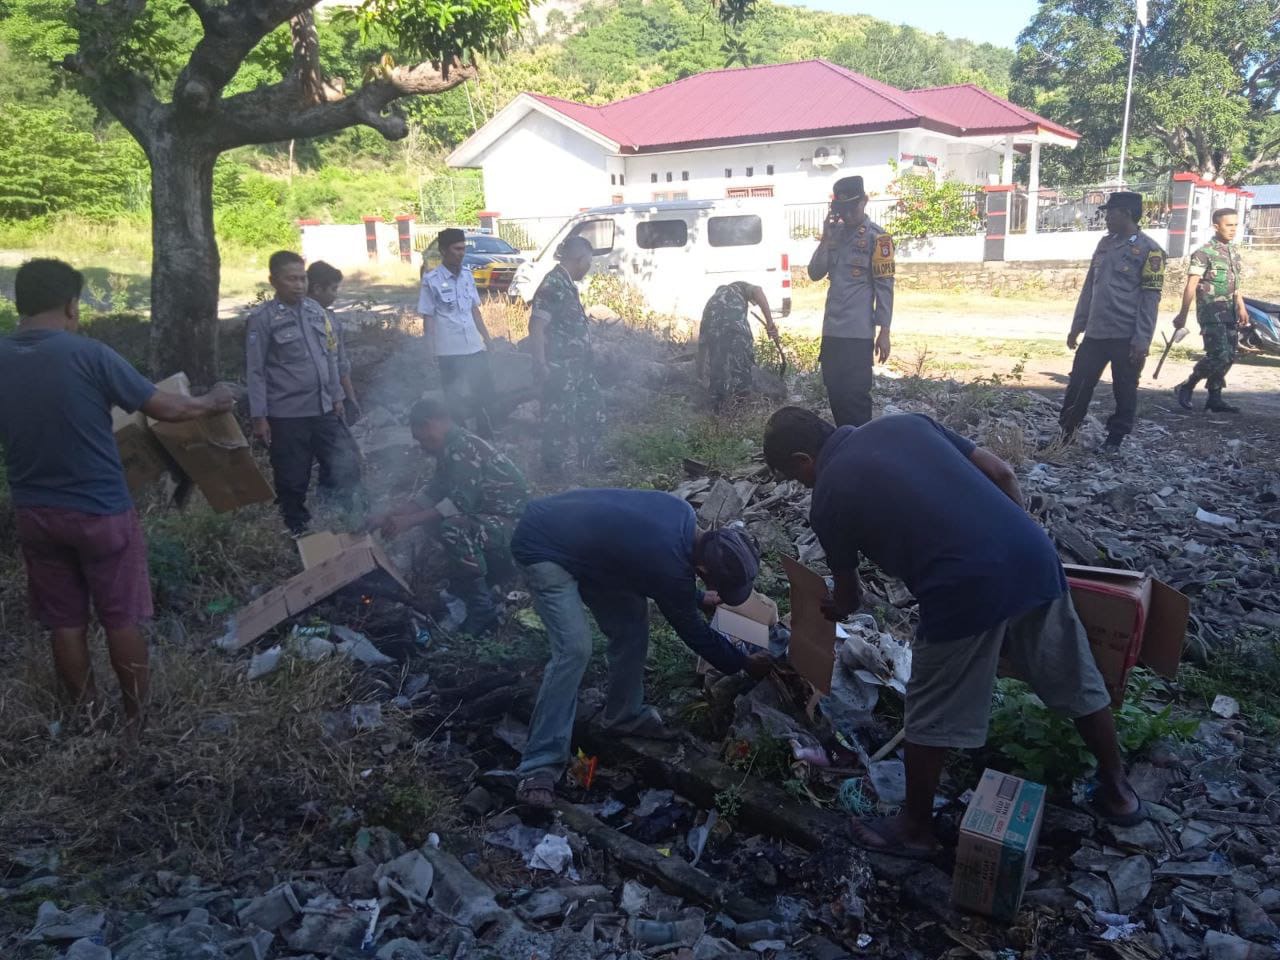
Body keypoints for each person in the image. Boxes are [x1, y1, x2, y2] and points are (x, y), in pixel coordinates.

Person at [762, 406, 1144, 858]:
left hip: (960, 587)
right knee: (1072, 673)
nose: (802, 485)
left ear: (803, 459)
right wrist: (1007, 539)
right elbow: (1002, 473)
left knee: (930, 708)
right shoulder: (906, 422)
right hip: (1032, 555)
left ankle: (915, 829)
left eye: (795, 476)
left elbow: (850, 599)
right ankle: (1119, 792)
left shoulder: (828, 497)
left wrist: (829, 606)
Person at [0, 259, 235, 738]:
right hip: (100, 509)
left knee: (65, 622)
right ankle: (135, 722)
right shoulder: (89, 354)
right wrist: (211, 401)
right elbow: (166, 408)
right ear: (71, 305)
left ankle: (87, 719)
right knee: (120, 617)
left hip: (34, 510)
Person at [510, 489, 775, 807]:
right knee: (574, 649)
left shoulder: (683, 514)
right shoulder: (669, 566)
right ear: (703, 571)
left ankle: (624, 716)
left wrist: (695, 597)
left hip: (592, 553)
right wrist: (744, 662)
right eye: (716, 584)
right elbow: (694, 632)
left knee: (632, 626)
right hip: (542, 546)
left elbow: (645, 564)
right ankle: (538, 765)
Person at [370, 399, 528, 635]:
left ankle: (482, 607)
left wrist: (408, 522)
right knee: (436, 522)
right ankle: (484, 577)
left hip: (514, 525)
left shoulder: (463, 448)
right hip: (492, 518)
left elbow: (458, 504)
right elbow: (433, 493)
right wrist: (390, 515)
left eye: (421, 438)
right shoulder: (451, 447)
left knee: (453, 527)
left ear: (429, 424)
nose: (422, 445)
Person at [246, 250, 362, 536]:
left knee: (346, 461)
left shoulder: (316, 312)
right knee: (293, 478)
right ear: (274, 281)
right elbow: (255, 371)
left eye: (302, 279)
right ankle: (297, 531)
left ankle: (341, 518)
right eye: (291, 279)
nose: (299, 285)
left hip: (324, 408)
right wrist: (259, 417)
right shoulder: (263, 319)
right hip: (288, 415)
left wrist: (337, 397)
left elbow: (330, 357)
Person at [1059, 192, 1166, 452]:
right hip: (1095, 333)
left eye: (1110, 213)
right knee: (1078, 385)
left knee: (1124, 389)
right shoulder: (1104, 244)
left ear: (1126, 213)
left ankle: (1115, 439)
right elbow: (1089, 287)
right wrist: (1077, 325)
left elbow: (1150, 299)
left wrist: (1142, 339)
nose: (1106, 218)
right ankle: (1066, 435)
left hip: (1125, 335)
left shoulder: (1150, 251)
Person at [807, 175, 895, 427]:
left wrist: (884, 331)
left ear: (864, 201)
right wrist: (825, 239)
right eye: (842, 210)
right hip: (832, 331)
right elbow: (815, 273)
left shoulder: (879, 239)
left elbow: (885, 288)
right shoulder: (834, 236)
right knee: (835, 393)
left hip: (858, 335)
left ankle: (861, 444)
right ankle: (847, 441)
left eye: (851, 208)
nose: (847, 215)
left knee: (855, 398)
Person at [527, 236, 604, 472]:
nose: (589, 268)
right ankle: (553, 469)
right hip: (559, 368)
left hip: (579, 368)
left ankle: (588, 459)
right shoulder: (553, 285)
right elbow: (536, 327)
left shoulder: (567, 284)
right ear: (578, 259)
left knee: (593, 408)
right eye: (588, 262)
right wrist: (541, 364)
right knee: (558, 419)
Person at [418, 228, 497, 439]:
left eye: (463, 249)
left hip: (474, 345)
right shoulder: (431, 280)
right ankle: (460, 435)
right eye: (456, 249)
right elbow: (428, 317)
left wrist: (487, 339)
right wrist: (429, 350)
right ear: (444, 250)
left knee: (484, 389)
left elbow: (474, 310)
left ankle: (485, 432)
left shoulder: (467, 276)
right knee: (453, 395)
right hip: (449, 350)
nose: (461, 253)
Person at [1172, 208, 1249, 414]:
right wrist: (1182, 314)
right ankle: (1187, 385)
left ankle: (1215, 398)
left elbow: (1235, 285)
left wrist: (1241, 307)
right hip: (1211, 313)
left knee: (1229, 356)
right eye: (1228, 225)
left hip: (1230, 312)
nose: (1233, 229)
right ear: (1216, 226)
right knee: (1218, 355)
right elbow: (1191, 285)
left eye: (1235, 225)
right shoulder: (1204, 253)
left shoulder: (1233, 253)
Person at [697, 280, 782, 408]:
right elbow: (758, 290)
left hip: (715, 336)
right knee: (744, 370)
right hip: (738, 332)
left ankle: (719, 407)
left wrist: (699, 375)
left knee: (718, 372)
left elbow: (702, 346)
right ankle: (744, 407)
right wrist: (770, 323)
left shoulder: (710, 304)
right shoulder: (737, 287)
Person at [306, 260, 362, 423]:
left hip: (334, 397)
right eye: (333, 289)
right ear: (317, 289)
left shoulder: (330, 319)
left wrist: (350, 398)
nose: (335, 295)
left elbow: (340, 363)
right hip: (312, 402)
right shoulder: (302, 320)